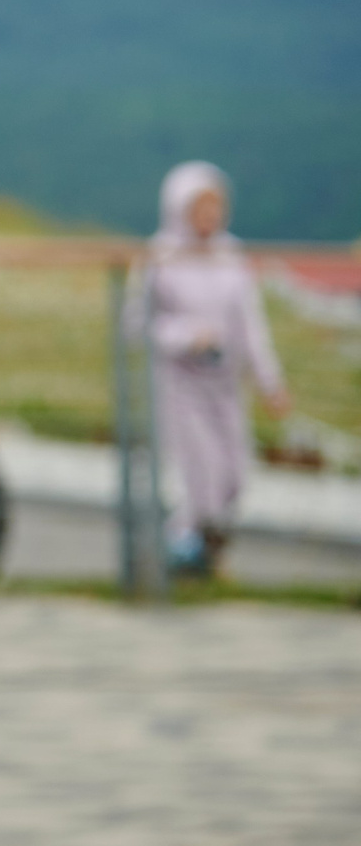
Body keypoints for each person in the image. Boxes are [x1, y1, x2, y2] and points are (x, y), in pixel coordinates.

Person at [128, 160, 291, 578]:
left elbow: (250, 325)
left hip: (226, 384)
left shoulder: (230, 255)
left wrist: (270, 381)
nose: (210, 217)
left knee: (234, 474)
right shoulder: (159, 256)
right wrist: (186, 335)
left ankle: (202, 555)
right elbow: (136, 325)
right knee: (202, 477)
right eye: (200, 207)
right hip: (180, 384)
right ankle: (183, 555)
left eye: (215, 206)